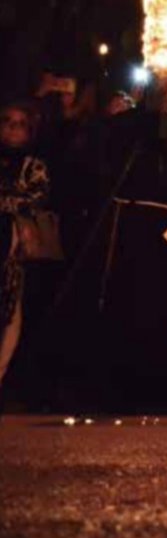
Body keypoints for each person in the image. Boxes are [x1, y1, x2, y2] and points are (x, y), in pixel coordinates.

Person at [0, 101, 50, 393]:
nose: (13, 130)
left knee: (10, 314)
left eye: (20, 124)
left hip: (16, 249)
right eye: (7, 122)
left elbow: (36, 197)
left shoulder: (33, 166)